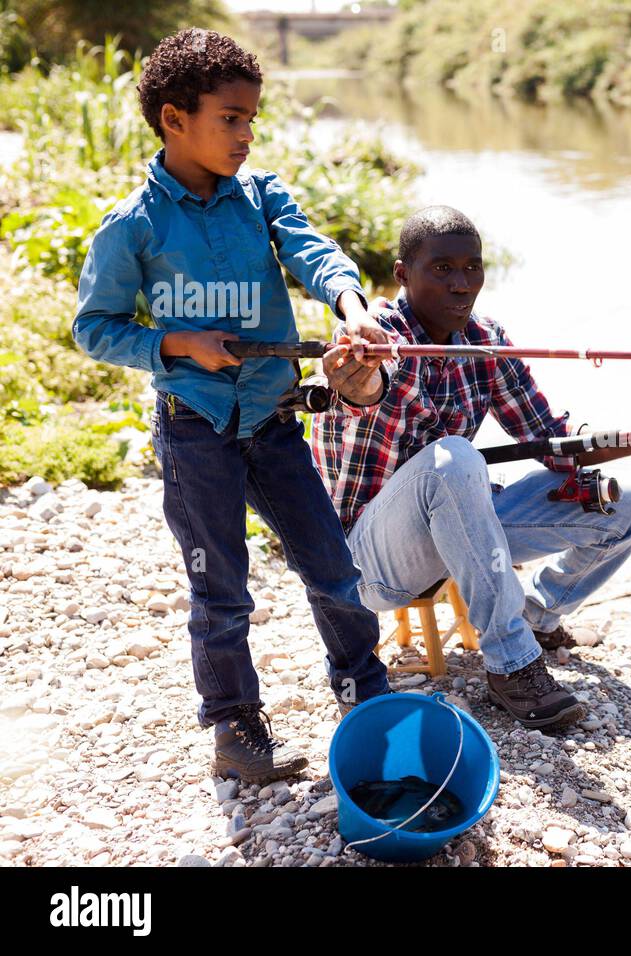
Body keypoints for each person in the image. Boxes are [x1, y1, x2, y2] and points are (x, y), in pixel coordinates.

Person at [72, 28, 392, 785]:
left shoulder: (262, 197)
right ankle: (234, 727)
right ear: (173, 120)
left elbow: (314, 252)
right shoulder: (133, 226)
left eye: (252, 118)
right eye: (230, 118)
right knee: (221, 592)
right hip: (195, 435)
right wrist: (177, 345)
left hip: (277, 423)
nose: (246, 135)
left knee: (334, 569)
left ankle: (363, 688)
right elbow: (95, 328)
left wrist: (350, 305)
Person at [310, 205, 631, 730]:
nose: (461, 284)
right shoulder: (380, 338)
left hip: (458, 524)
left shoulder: (487, 340)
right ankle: (511, 664)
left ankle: (536, 616)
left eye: (471, 267)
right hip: (368, 562)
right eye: (441, 269)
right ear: (403, 274)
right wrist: (353, 382)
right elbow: (369, 388)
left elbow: (555, 444)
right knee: (455, 458)